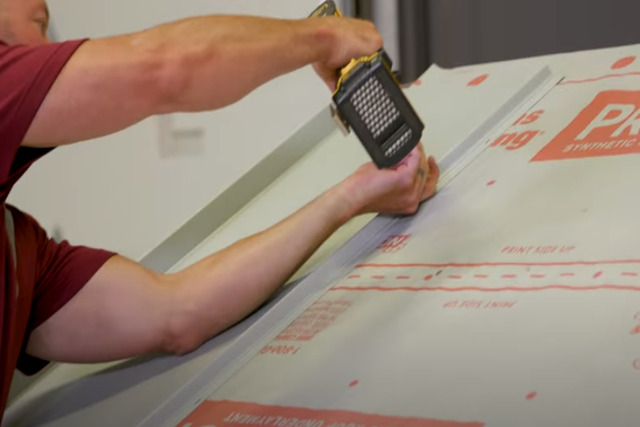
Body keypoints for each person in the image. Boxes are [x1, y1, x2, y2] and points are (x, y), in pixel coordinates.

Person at [0, 0, 440, 416]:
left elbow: (178, 313)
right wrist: (326, 37)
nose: (44, 9)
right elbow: (165, 70)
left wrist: (352, 197)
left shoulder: (19, 257)